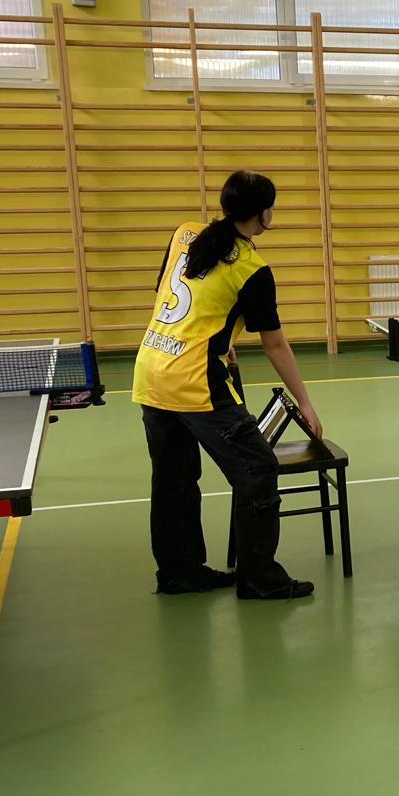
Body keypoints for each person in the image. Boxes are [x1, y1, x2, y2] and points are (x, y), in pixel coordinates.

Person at [131, 169, 323, 601]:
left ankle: (179, 573)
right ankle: (258, 578)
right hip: (196, 380)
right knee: (258, 469)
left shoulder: (185, 233)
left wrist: (222, 340)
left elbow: (171, 295)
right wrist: (305, 402)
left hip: (152, 368)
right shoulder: (253, 268)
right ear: (264, 214)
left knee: (173, 479)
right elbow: (274, 344)